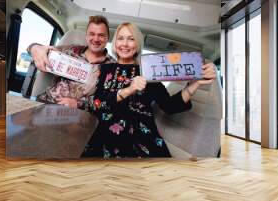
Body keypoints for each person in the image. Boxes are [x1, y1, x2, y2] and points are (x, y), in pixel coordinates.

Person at [80, 22, 217, 158]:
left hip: (141, 141)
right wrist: (129, 90)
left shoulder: (150, 71)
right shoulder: (105, 69)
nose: (125, 44)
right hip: (104, 138)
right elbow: (97, 103)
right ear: (115, 43)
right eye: (121, 38)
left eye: (131, 39)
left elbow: (170, 106)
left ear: (138, 43)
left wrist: (193, 85)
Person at [27, 15, 115, 109]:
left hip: (78, 115)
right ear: (86, 36)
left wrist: (79, 104)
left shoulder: (114, 67)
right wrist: (35, 48)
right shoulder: (70, 50)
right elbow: (35, 49)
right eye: (92, 34)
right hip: (46, 103)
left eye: (101, 35)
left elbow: (109, 100)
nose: (96, 39)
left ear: (107, 38)